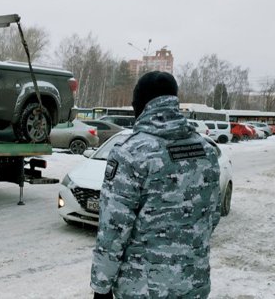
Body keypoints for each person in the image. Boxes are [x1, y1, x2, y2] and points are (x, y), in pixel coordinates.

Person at [91, 71, 221, 299]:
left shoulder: (131, 153)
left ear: (140, 105)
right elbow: (212, 214)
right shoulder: (206, 151)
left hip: (143, 289)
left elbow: (113, 229)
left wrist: (101, 287)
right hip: (194, 283)